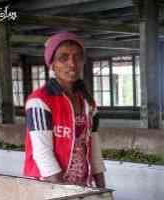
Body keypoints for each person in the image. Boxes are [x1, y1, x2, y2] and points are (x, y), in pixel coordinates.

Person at [23, 32, 106, 188]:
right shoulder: (40, 101)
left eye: (77, 57)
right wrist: (63, 195)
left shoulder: (89, 103)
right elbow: (43, 154)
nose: (72, 63)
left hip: (80, 186)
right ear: (52, 64)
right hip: (48, 187)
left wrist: (103, 191)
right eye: (63, 58)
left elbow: (94, 151)